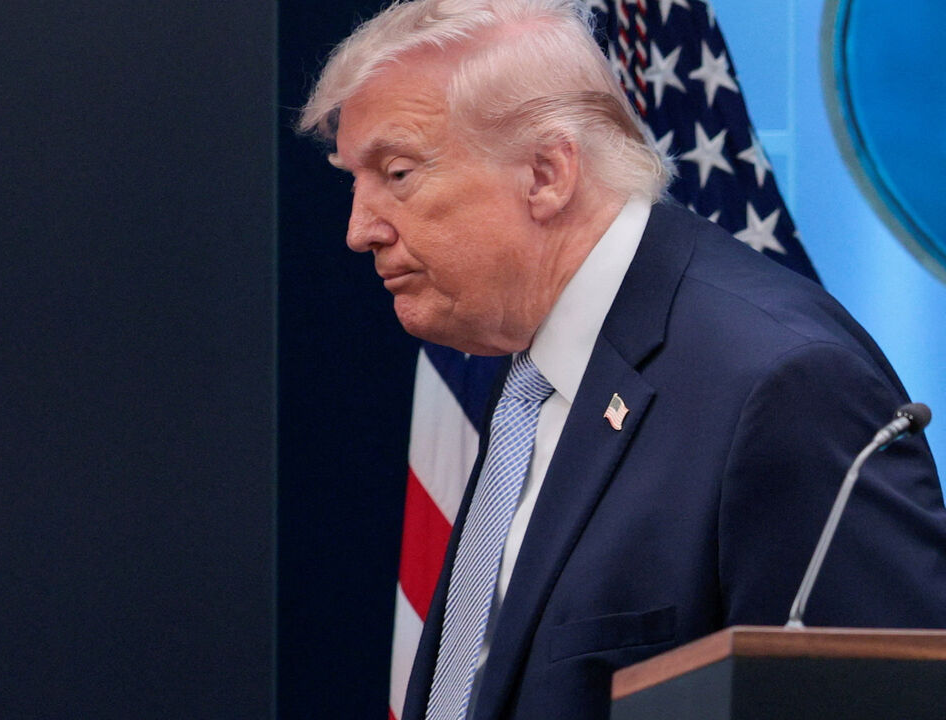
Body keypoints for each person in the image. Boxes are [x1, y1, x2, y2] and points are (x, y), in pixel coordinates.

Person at [297, 1, 946, 719]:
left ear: (547, 173)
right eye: (353, 180)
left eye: (397, 172)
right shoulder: (534, 372)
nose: (360, 230)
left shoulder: (783, 382)